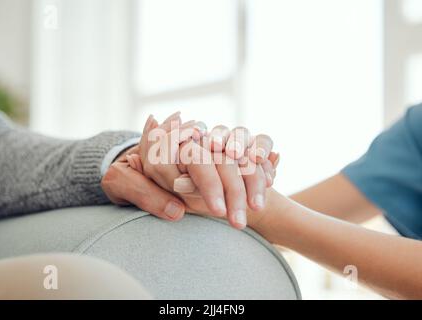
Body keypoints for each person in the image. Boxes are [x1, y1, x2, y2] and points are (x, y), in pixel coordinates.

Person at [134, 104, 422, 299]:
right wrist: (224, 182)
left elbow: (274, 218)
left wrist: (261, 210)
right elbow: (289, 215)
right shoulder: (415, 131)